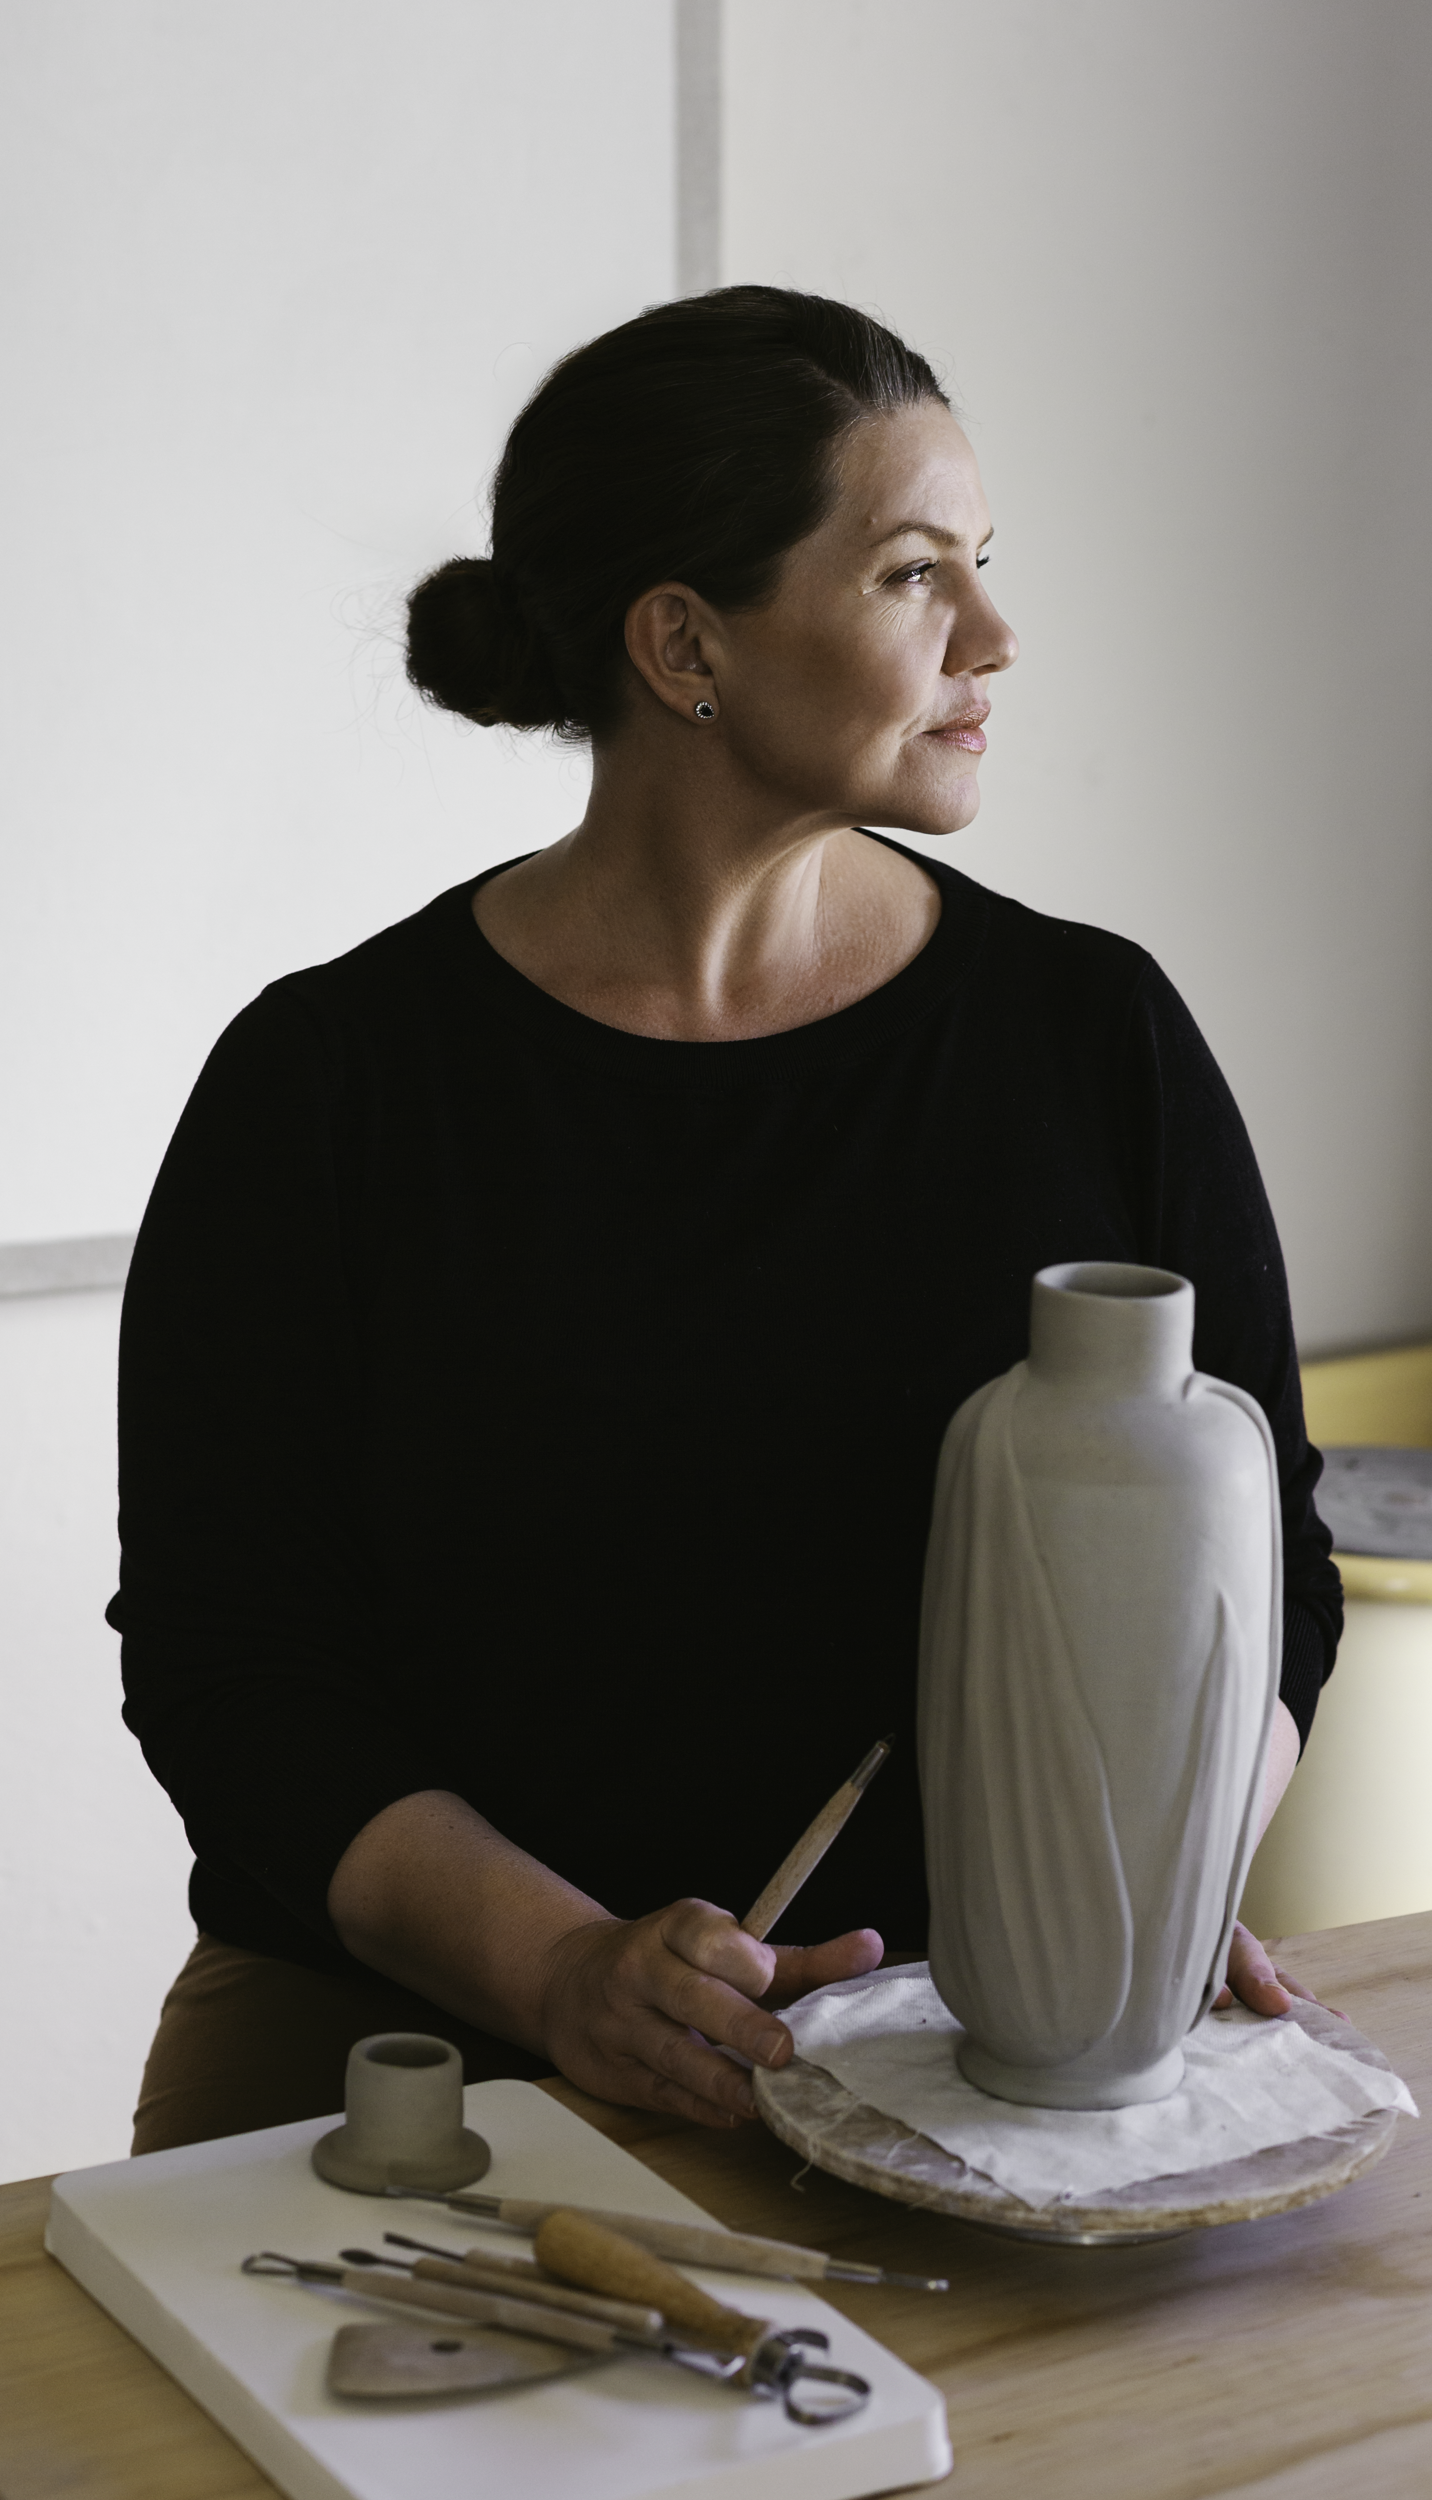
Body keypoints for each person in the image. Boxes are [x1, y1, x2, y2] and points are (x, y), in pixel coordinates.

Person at [113, 287, 1342, 2155]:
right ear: (685, 642)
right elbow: (230, 1667)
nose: (996, 637)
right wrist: (560, 1971)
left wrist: (1142, 1899)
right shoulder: (329, 1087)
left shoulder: (1094, 1038)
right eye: (916, 575)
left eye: (982, 566)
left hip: (965, 2073)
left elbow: (1279, 1589)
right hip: (404, 2070)